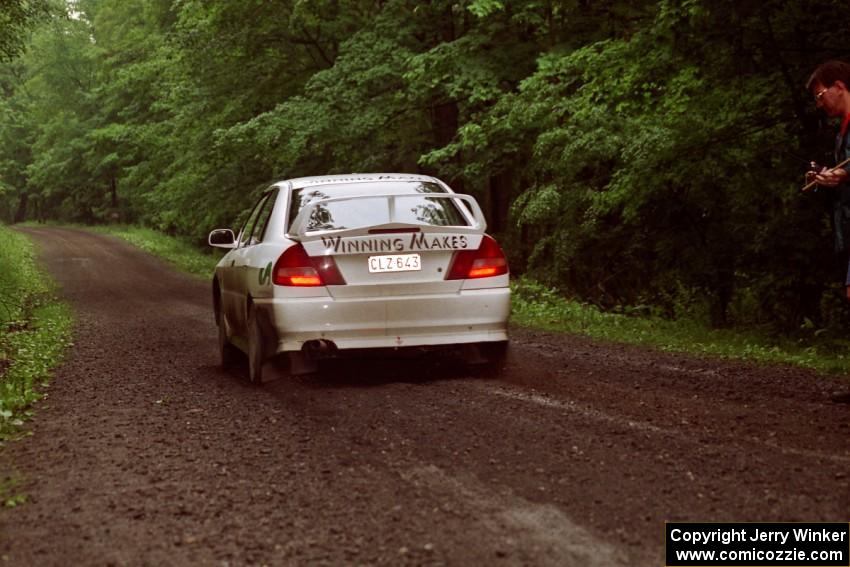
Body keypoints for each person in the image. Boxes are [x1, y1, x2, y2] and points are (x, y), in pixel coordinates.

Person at [806, 60, 850, 404]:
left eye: (820, 95)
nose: (819, 104)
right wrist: (825, 179)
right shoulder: (842, 132)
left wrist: (845, 176)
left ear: (839, 86)